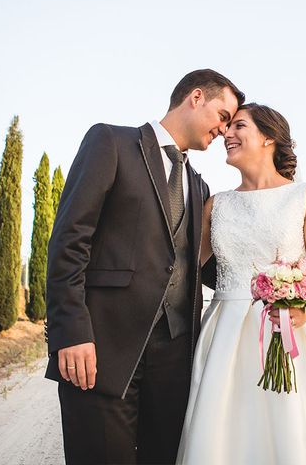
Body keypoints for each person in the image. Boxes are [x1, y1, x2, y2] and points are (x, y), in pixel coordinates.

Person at [45, 69, 244, 464]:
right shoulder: (112, 142)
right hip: (101, 349)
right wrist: (70, 331)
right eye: (223, 116)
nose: (224, 130)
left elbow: (197, 267)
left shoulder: (200, 187)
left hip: (174, 361)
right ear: (197, 97)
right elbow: (69, 241)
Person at [177, 103, 306, 464]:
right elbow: (181, 271)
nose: (227, 133)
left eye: (238, 125)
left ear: (269, 137)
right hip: (225, 341)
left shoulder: (305, 196)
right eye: (227, 126)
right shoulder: (216, 205)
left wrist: (302, 313)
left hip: (295, 333)